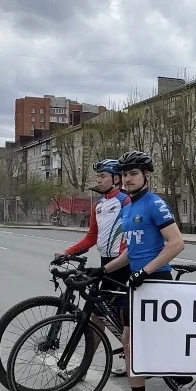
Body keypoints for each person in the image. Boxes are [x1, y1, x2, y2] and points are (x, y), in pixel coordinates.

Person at [92, 151, 196, 391]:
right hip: (138, 282)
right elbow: (131, 253)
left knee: (146, 343)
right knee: (129, 343)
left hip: (156, 281)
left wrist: (146, 271)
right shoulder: (128, 208)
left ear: (145, 175)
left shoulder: (154, 203)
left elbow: (177, 243)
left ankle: (186, 380)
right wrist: (103, 270)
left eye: (133, 174)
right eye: (124, 174)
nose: (128, 179)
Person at [55, 159, 131, 374]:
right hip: (107, 263)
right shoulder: (98, 206)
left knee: (112, 315)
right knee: (99, 316)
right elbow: (91, 237)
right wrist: (68, 252)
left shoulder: (126, 201)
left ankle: (132, 359)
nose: (99, 180)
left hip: (124, 263)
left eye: (103, 176)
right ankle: (89, 366)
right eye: (98, 176)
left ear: (116, 179)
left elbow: (132, 235)